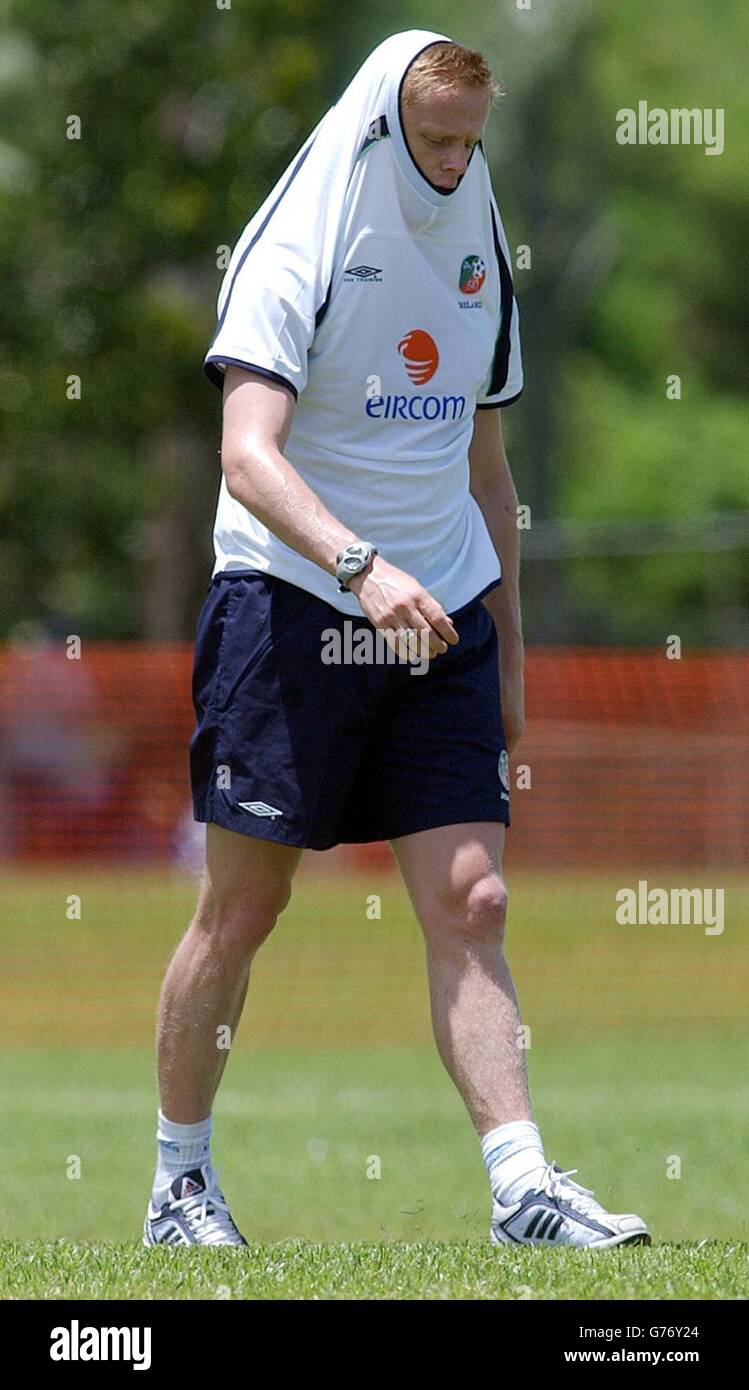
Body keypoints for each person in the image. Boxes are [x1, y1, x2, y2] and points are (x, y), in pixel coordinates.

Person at [144, 30, 650, 1249]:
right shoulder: (299, 240)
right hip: (291, 603)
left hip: (441, 620)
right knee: (241, 909)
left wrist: (509, 647)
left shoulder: (476, 235)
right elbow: (246, 456)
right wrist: (358, 569)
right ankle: (179, 1184)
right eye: (435, 141)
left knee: (472, 898)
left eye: (472, 141)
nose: (455, 162)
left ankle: (522, 1187)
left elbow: (485, 465)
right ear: (382, 123)